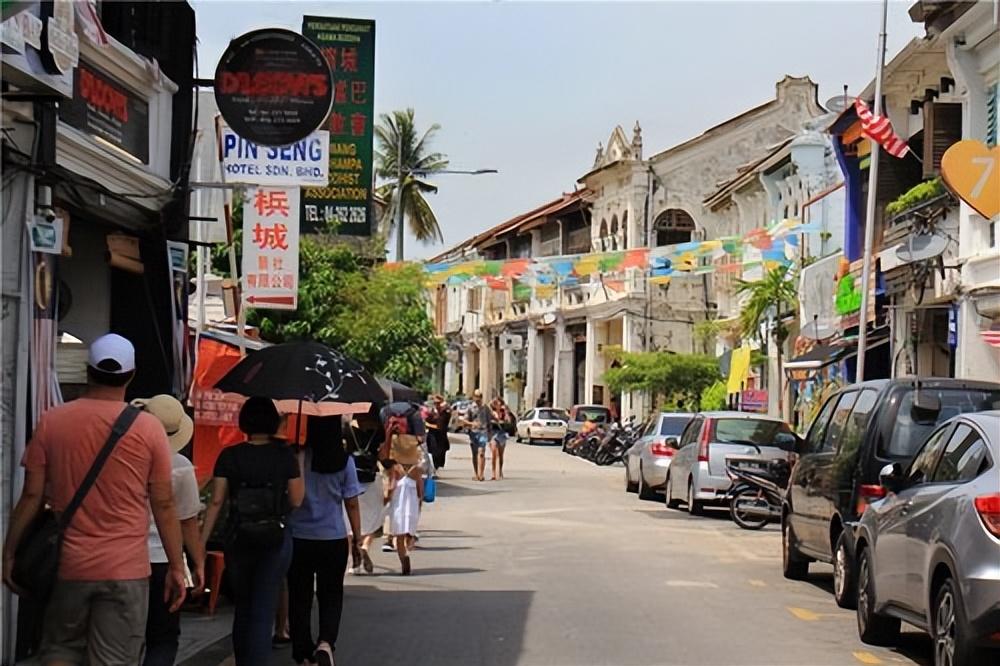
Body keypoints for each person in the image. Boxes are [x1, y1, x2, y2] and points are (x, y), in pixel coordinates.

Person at [2, 333, 187, 665]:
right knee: (114, 658)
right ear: (131, 375)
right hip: (126, 569)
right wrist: (176, 566)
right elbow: (163, 505)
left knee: (60, 649)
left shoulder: (52, 421)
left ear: (88, 372)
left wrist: (10, 553)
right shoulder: (149, 429)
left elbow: (31, 495)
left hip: (71, 566)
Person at [201, 397, 304, 666]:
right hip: (275, 538)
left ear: (243, 422)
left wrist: (201, 542)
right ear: (273, 422)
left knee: (243, 608)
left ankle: (242, 660)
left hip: (238, 538)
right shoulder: (285, 456)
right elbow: (296, 500)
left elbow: (216, 501)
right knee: (263, 609)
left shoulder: (230, 455)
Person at [132, 395, 206, 666]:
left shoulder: (123, 457)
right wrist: (197, 563)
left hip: (125, 557)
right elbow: (187, 521)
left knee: (123, 639)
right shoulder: (181, 467)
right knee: (162, 638)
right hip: (164, 560)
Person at [287, 416, 363, 666]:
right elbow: (351, 503)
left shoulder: (297, 457)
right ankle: (326, 643)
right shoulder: (344, 462)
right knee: (331, 594)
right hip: (333, 537)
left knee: (300, 596)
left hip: (299, 537)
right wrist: (357, 538)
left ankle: (302, 650)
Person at [345, 412, 386, 570]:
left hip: (351, 476)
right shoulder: (379, 430)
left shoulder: (346, 429)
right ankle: (364, 547)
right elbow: (383, 455)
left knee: (349, 520)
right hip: (371, 477)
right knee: (373, 519)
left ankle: (354, 552)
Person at [385, 460, 424, 575]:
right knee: (409, 533)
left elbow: (391, 487)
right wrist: (419, 504)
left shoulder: (395, 468)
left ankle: (404, 558)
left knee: (399, 537)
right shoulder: (416, 469)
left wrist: (385, 499)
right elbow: (420, 491)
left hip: (398, 506)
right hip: (411, 506)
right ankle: (408, 548)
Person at [460, 390, 491, 482]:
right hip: (473, 432)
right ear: (473, 397)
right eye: (476, 396)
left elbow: (489, 421)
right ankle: (476, 473)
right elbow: (464, 421)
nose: (478, 398)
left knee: (481, 452)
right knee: (475, 453)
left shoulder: (485, 408)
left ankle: (481, 474)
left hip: (483, 432)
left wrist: (490, 433)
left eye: (480, 396)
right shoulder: (470, 408)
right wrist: (472, 423)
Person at [426, 395, 451, 470]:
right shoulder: (432, 412)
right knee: (434, 453)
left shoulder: (445, 412)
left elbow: (440, 426)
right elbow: (427, 420)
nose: (437, 404)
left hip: (441, 436)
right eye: (435, 403)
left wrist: (427, 424)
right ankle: (434, 468)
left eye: (439, 403)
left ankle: (437, 467)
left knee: (440, 454)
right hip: (433, 436)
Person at [489, 397, 511, 481]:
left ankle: (500, 471)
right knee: (494, 453)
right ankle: (493, 473)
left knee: (501, 455)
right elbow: (489, 421)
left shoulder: (503, 412)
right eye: (495, 403)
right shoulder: (492, 412)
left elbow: (508, 421)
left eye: (498, 403)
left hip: (502, 434)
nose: (497, 404)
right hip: (494, 434)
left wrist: (506, 412)